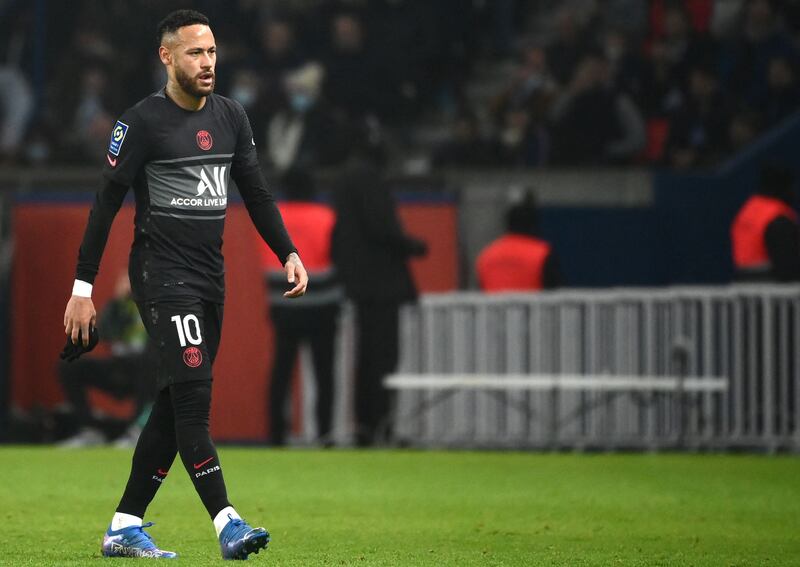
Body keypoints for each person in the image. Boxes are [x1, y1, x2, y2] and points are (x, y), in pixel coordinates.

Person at [62, 10, 307, 560]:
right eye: (195, 53)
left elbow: (258, 194)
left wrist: (287, 251)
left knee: (174, 405)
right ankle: (228, 523)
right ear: (167, 57)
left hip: (209, 279)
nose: (207, 63)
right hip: (161, 276)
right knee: (195, 400)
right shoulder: (141, 122)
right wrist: (82, 288)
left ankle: (124, 524)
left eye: (213, 52)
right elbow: (105, 203)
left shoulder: (232, 117)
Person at [331, 154, 427, 447]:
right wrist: (413, 246)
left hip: (360, 287)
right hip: (383, 287)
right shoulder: (370, 181)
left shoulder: (345, 182)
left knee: (366, 360)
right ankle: (382, 426)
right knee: (384, 359)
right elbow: (382, 227)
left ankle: (366, 427)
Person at [260, 168, 342, 447]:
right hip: (323, 305)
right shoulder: (326, 217)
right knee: (324, 373)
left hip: (283, 304)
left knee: (281, 372)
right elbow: (337, 258)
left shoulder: (273, 215)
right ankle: (325, 435)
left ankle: (276, 436)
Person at [59, 272, 154, 449]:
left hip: (148, 369)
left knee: (149, 365)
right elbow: (106, 332)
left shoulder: (155, 308)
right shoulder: (119, 307)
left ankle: (136, 431)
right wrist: (119, 303)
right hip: (119, 365)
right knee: (70, 365)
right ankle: (89, 428)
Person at [476, 192, 562, 292]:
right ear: (533, 224)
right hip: (532, 307)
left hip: (493, 307)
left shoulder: (486, 255)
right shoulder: (542, 253)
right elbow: (555, 295)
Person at [731, 164, 800, 282]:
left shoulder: (748, 210)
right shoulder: (777, 219)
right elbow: (788, 267)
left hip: (743, 283)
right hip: (773, 287)